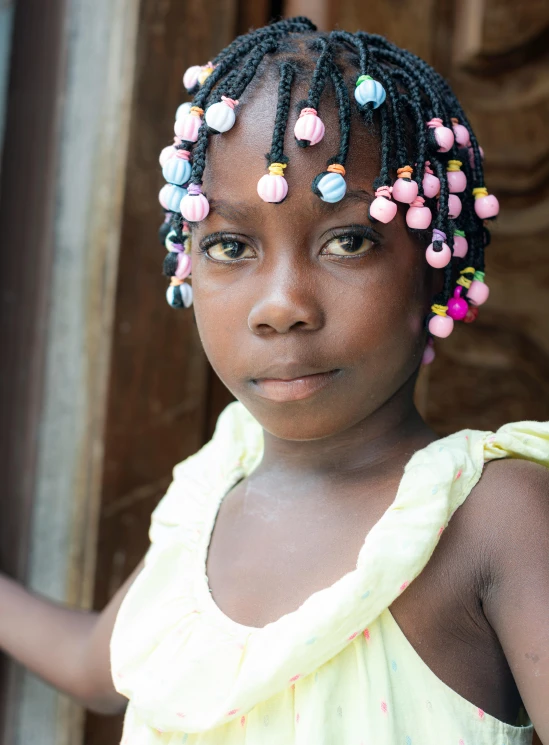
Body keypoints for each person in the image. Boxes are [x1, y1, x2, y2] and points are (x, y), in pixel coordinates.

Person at [1, 16, 548, 745]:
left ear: (435, 265)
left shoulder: (491, 518)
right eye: (230, 244)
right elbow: (96, 665)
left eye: (347, 240)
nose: (282, 304)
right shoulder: (213, 491)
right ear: (188, 265)